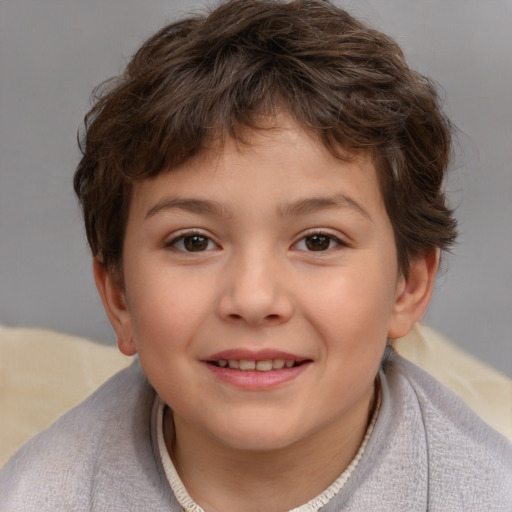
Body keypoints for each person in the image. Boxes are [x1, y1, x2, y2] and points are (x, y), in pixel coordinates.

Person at [1, 0, 511, 510]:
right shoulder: (39, 495)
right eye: (193, 241)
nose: (252, 298)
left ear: (409, 285)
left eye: (318, 241)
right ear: (118, 297)